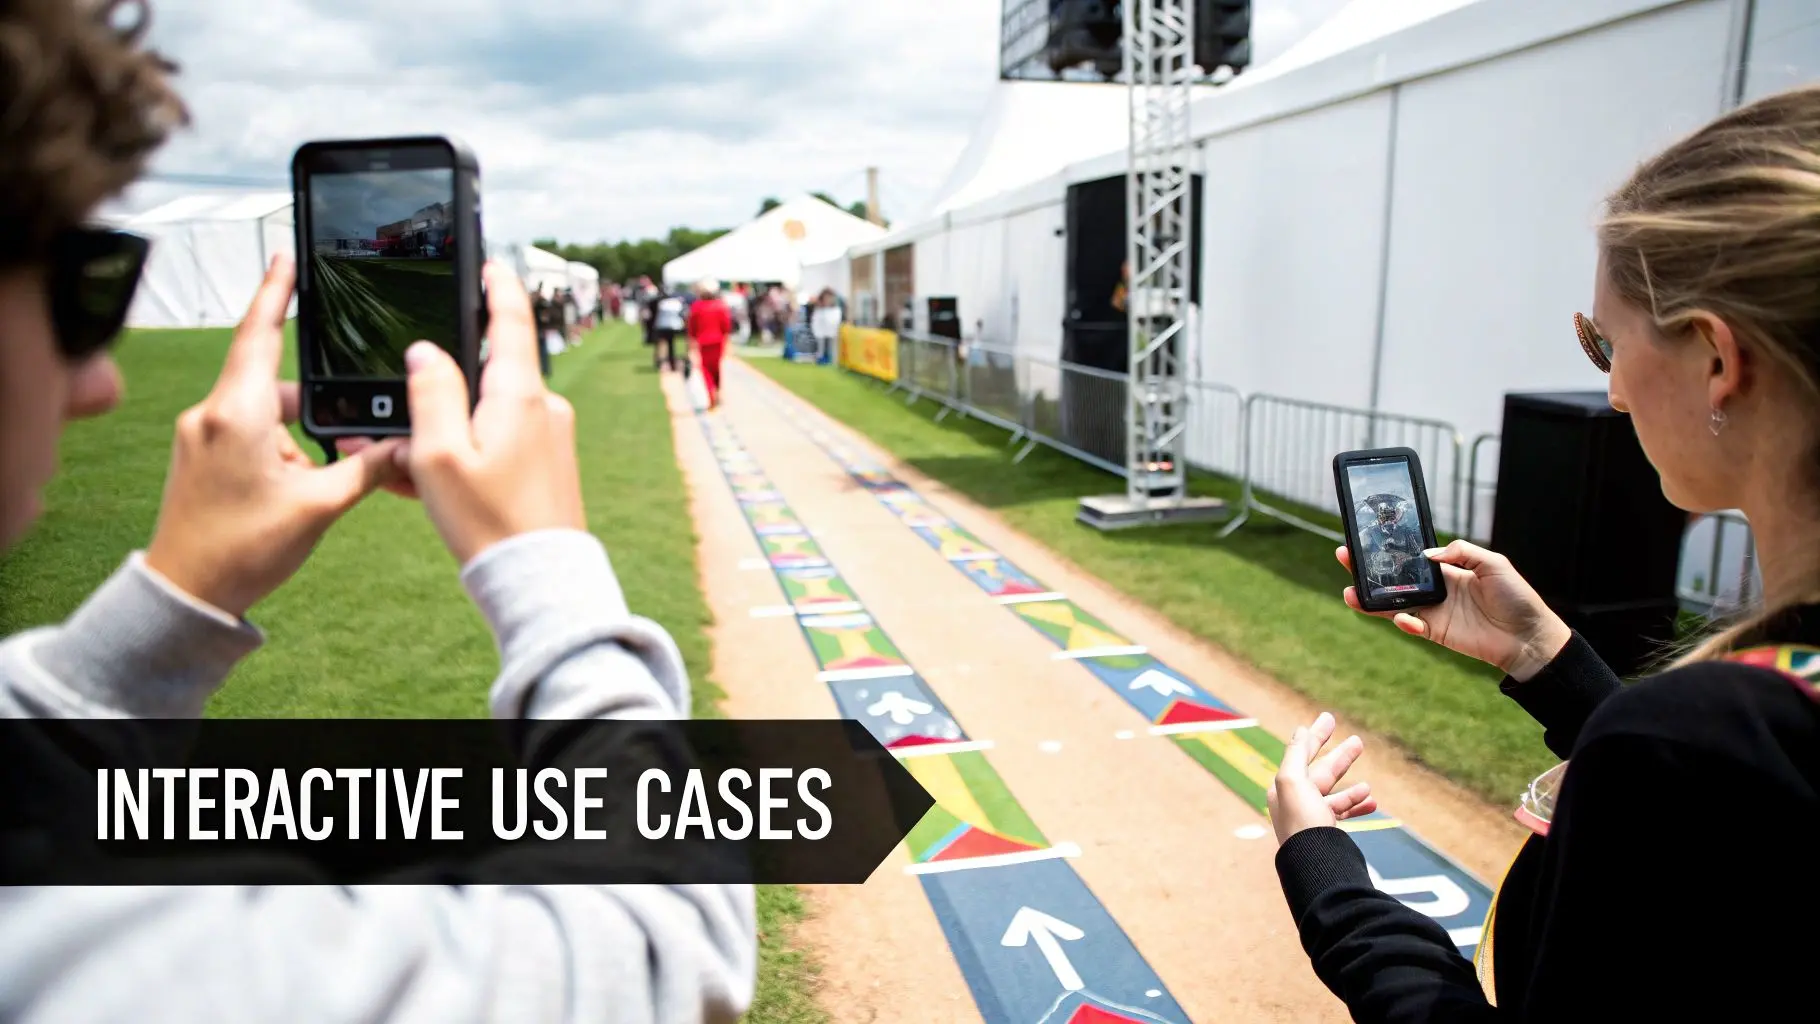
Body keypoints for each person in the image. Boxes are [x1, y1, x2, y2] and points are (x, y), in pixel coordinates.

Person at [0, 3, 755, 1019]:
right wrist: (547, 561)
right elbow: (662, 946)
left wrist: (175, 598)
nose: (99, 382)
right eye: (79, 290)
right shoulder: (104, 958)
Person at [1268, 84, 1820, 1021]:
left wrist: (1325, 875)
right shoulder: (1721, 738)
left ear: (1717, 359)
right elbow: (1722, 805)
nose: (1613, 394)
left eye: (1606, 343)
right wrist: (1548, 660)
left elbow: (1690, 778)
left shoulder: (1686, 740)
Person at [687, 278, 733, 410]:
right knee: (716, 368)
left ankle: (711, 391)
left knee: (705, 369)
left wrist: (691, 343)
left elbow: (692, 327)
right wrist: (727, 341)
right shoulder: (720, 305)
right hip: (717, 341)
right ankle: (717, 390)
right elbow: (726, 325)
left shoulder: (697, 306)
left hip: (704, 342)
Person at [652, 286, 686, 372]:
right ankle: (671, 362)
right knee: (671, 345)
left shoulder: (662, 303)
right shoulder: (677, 302)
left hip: (663, 327)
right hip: (675, 326)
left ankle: (662, 362)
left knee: (662, 344)